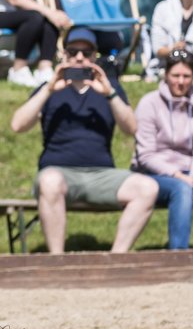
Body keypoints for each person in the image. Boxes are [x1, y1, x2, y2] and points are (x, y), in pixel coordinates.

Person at [10, 27, 157, 253]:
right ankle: (57, 260)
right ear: (63, 55)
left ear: (95, 56)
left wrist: (109, 94)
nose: (79, 57)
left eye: (86, 53)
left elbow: (131, 128)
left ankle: (117, 258)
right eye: (73, 51)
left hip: (101, 175)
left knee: (147, 188)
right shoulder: (49, 89)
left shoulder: (110, 88)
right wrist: (48, 90)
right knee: (49, 182)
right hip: (59, 173)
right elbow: (17, 125)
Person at [131, 49, 193, 249]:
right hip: (153, 173)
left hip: (190, 171)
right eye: (175, 76)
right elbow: (146, 155)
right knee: (182, 190)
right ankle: (178, 255)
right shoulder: (149, 104)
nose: (181, 81)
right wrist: (178, 176)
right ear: (166, 75)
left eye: (186, 76)